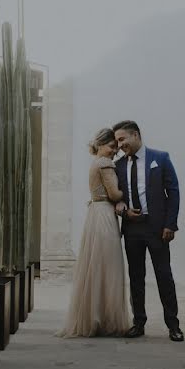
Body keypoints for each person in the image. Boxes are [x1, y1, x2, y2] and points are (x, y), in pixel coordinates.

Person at [113, 120, 184, 342]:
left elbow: (173, 192)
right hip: (132, 229)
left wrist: (170, 224)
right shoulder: (119, 166)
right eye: (117, 141)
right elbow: (117, 199)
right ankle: (138, 323)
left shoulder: (160, 158)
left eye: (122, 139)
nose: (119, 145)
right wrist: (124, 213)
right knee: (136, 277)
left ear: (135, 135)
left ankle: (173, 325)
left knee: (164, 276)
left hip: (157, 229)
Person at [57, 128, 131, 337]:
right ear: (100, 144)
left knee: (96, 264)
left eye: (115, 149)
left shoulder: (95, 163)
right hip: (105, 214)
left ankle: (94, 315)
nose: (113, 151)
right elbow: (115, 193)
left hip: (95, 212)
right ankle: (106, 319)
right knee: (108, 265)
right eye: (111, 147)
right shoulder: (106, 164)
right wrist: (132, 192)